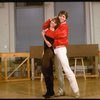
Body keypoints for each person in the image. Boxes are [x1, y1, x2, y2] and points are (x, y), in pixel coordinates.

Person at [53, 10, 80, 98]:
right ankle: (61, 91)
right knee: (58, 72)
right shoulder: (57, 25)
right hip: (55, 49)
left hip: (61, 49)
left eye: (63, 16)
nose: (61, 17)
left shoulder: (64, 26)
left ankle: (76, 91)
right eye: (60, 16)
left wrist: (52, 32)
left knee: (67, 69)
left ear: (65, 18)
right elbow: (46, 27)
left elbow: (61, 35)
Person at [41, 17, 60, 98]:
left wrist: (43, 37)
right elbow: (44, 25)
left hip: (50, 52)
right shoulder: (47, 29)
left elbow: (49, 44)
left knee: (45, 69)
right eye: (52, 21)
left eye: (55, 22)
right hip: (46, 51)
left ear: (56, 25)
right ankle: (50, 91)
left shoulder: (54, 32)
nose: (52, 23)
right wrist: (51, 18)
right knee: (48, 71)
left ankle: (50, 91)